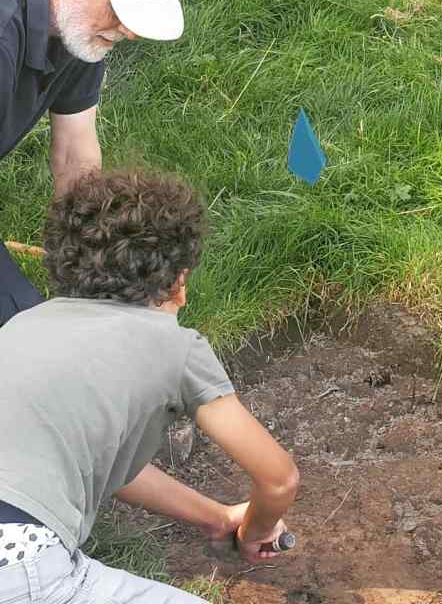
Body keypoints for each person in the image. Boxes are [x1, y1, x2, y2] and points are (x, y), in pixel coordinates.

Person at [0, 169, 299, 603]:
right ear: (178, 283)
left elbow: (101, 466)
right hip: (17, 559)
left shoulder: (21, 326)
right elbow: (278, 479)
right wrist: (257, 529)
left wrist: (218, 517)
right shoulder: (174, 346)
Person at [0, 0, 184, 324]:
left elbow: (75, 153)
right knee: (26, 339)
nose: (131, 30)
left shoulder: (77, 27)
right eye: (120, 8)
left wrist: (93, 275)